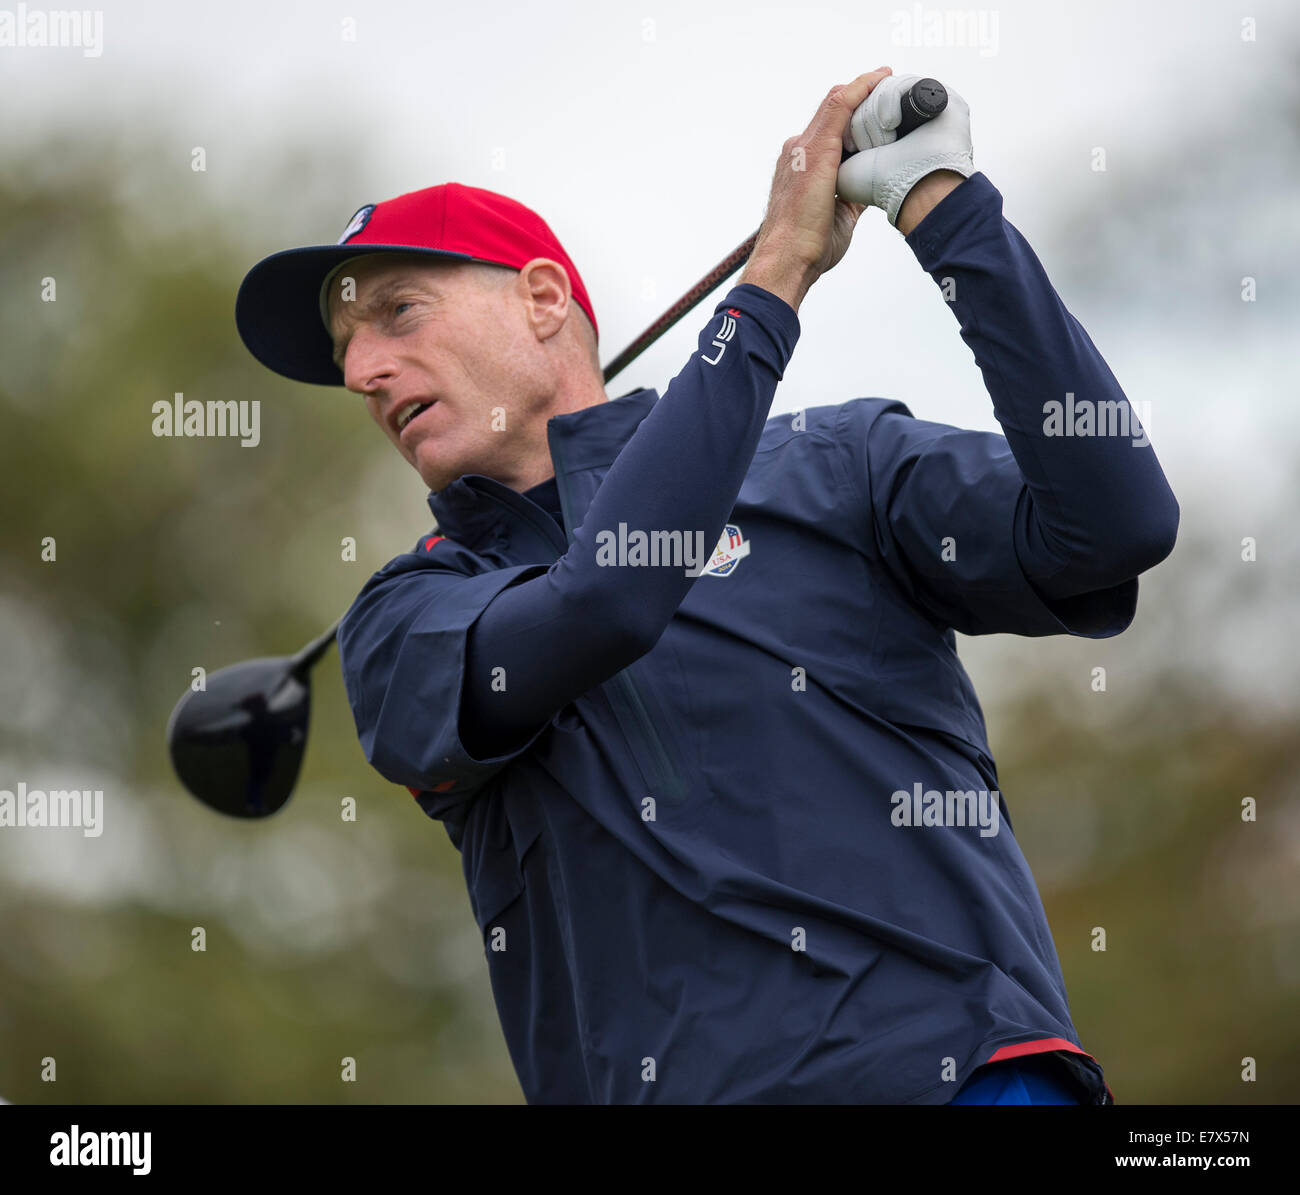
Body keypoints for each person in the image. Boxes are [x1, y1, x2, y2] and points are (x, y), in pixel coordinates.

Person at [234, 67, 1177, 1104]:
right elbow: (608, 598)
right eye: (345, 346)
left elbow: (1115, 522)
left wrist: (948, 213)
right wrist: (773, 282)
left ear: (544, 299)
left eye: (397, 313)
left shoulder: (836, 465)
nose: (363, 368)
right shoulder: (406, 616)